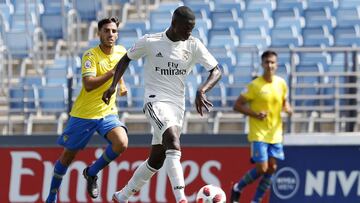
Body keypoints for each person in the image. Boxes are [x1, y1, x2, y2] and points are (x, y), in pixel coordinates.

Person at [102, 6, 222, 203]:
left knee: (156, 159)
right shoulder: (151, 41)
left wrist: (202, 90)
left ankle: (121, 196)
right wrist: (113, 86)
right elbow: (125, 60)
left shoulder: (193, 45)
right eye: (187, 28)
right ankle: (181, 199)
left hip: (177, 106)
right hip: (155, 100)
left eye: (192, 29)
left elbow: (216, 70)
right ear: (174, 24)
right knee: (173, 142)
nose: (189, 32)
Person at [45, 17, 129, 203]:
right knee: (67, 157)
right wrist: (112, 74)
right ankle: (52, 196)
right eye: (106, 31)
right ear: (98, 33)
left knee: (121, 143)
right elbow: (88, 85)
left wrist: (121, 84)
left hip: (107, 112)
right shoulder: (90, 56)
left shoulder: (121, 51)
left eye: (114, 31)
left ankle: (91, 172)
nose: (110, 34)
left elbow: (120, 67)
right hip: (84, 114)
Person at [230, 50, 293, 203]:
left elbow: (284, 102)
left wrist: (288, 109)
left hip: (276, 133)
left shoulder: (281, 83)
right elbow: (237, 105)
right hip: (259, 133)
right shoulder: (255, 85)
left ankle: (255, 201)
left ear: (276, 65)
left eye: (272, 62)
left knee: (272, 168)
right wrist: (255, 114)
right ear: (262, 64)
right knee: (262, 168)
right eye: (267, 62)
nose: (270, 65)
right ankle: (237, 187)